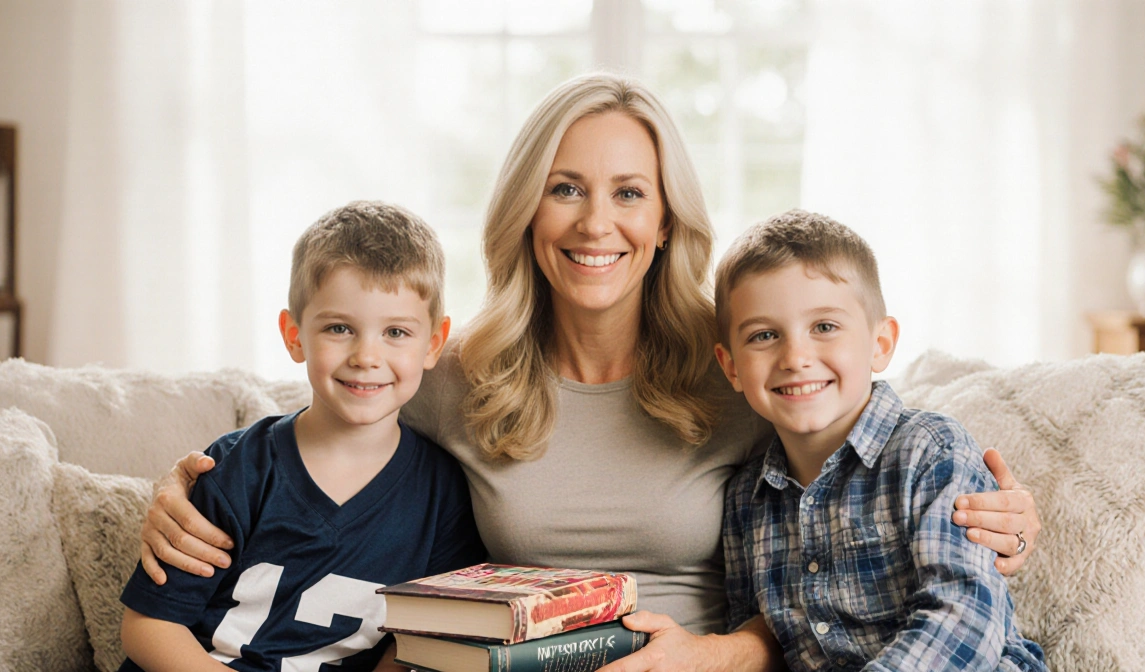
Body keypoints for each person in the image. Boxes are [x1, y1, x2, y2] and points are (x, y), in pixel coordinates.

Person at [137, 74, 1042, 671]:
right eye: (566, 188)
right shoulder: (461, 376)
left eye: (628, 192)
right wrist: (186, 484)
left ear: (663, 220)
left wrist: (995, 518)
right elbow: (329, 410)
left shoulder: (741, 366)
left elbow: (865, 456)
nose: (593, 223)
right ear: (529, 210)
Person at [119, 201, 485, 671]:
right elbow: (149, 627)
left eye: (395, 331)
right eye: (339, 328)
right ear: (294, 336)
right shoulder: (237, 470)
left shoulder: (443, 495)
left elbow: (421, 640)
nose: (366, 356)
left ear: (433, 343)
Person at [714, 210, 1046, 671]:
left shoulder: (931, 453)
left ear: (881, 343)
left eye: (824, 327)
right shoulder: (745, 502)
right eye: (764, 335)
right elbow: (751, 632)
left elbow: (963, 617)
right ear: (731, 366)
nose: (795, 357)